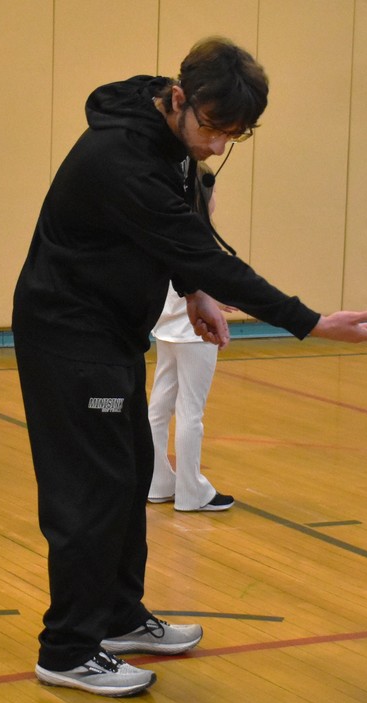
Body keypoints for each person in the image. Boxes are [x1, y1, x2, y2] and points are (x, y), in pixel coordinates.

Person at [12, 36, 367, 699]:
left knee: (130, 472)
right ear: (179, 99)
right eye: (213, 128)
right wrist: (308, 321)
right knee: (91, 490)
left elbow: (185, 224)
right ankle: (68, 648)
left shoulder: (166, 133)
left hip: (109, 331)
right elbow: (203, 249)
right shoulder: (120, 160)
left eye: (232, 136)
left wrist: (193, 291)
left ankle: (117, 617)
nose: (217, 145)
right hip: (68, 336)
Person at [148, 163, 235, 513]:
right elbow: (204, 281)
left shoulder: (167, 227)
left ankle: (157, 482)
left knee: (159, 407)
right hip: (195, 334)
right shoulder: (199, 236)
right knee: (190, 412)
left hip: (166, 329)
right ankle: (190, 491)